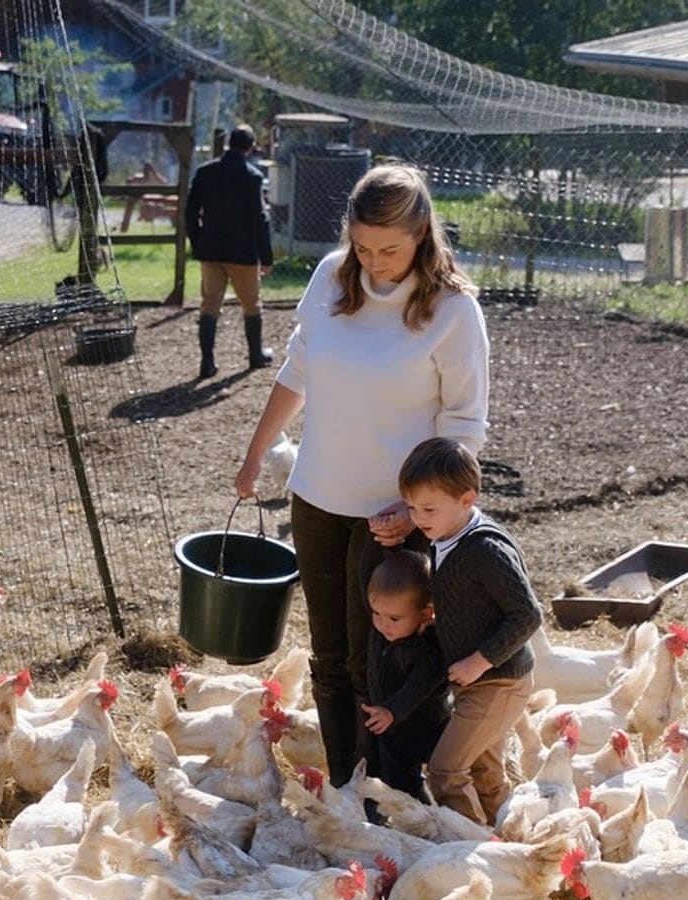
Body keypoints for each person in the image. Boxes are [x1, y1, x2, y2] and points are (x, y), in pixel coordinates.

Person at [235, 163, 489, 787]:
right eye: (364, 246)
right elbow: (297, 372)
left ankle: (391, 789)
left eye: (391, 249)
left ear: (423, 232)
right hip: (319, 494)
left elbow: (464, 425)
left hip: (395, 515)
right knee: (328, 657)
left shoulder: (454, 311)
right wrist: (254, 453)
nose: (376, 262)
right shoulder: (329, 276)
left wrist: (419, 510)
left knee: (380, 659)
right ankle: (346, 790)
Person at [398, 436, 542, 825]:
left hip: (498, 681)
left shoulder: (485, 550)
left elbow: (528, 615)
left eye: (428, 508)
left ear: (468, 499)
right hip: (480, 681)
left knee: (445, 770)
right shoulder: (445, 535)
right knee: (484, 772)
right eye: (411, 507)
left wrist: (479, 661)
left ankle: (471, 847)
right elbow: (470, 599)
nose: (418, 518)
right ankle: (513, 843)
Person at [185, 124, 274, 379]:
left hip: (211, 250)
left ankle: (207, 361)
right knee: (251, 305)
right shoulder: (252, 176)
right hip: (243, 253)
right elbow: (260, 218)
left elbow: (191, 213)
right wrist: (266, 256)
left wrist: (198, 241)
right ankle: (255, 355)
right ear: (250, 147)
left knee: (210, 304)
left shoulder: (205, 172)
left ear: (228, 144)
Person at [362, 550, 450, 803]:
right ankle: (411, 813)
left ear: (426, 614)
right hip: (393, 726)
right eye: (376, 613)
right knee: (399, 780)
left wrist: (392, 710)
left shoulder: (427, 650)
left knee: (440, 773)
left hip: (425, 725)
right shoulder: (386, 633)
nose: (382, 624)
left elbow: (418, 687)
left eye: (394, 618)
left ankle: (434, 815)